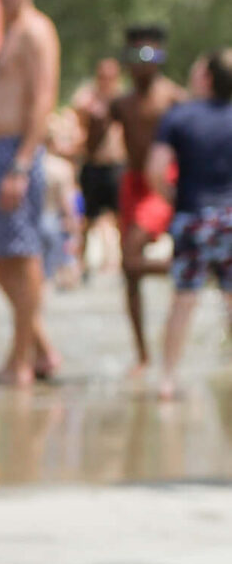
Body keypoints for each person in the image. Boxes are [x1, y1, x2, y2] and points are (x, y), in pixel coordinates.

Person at [0, 0, 61, 385]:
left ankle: (20, 361)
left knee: (22, 256)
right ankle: (42, 350)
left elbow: (43, 99)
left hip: (15, 155)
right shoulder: (9, 33)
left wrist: (22, 164)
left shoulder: (35, 31)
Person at [149, 48, 232, 399]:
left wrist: (175, 200)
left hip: (193, 215)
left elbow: (155, 170)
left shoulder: (179, 117)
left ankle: (168, 379)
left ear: (207, 78)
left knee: (184, 299)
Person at [111, 24, 184, 372]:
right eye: (135, 56)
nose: (142, 64)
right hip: (131, 185)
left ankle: (195, 270)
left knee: (130, 260)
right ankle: (142, 354)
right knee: (130, 274)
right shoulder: (120, 103)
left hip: (161, 183)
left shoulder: (174, 98)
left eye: (149, 55)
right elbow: (92, 146)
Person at [70, 57, 126, 273]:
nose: (106, 81)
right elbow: (77, 118)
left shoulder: (122, 101)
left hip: (116, 166)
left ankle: (121, 262)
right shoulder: (88, 98)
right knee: (86, 218)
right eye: (103, 76)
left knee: (119, 217)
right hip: (93, 165)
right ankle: (81, 263)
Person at [41, 108, 84, 289]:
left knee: (40, 275)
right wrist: (75, 227)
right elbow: (67, 202)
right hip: (55, 222)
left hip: (36, 221)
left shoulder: (33, 166)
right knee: (66, 266)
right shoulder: (63, 167)